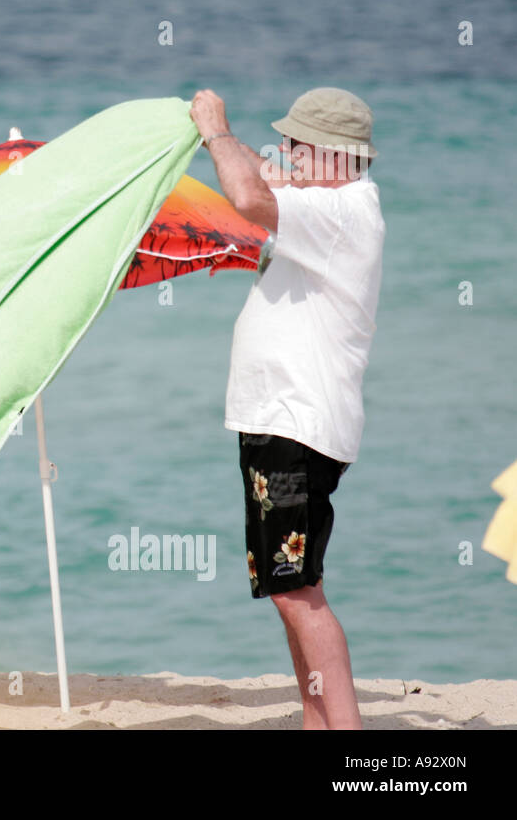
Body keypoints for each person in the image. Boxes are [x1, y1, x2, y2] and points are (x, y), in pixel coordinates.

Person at [189, 87, 385, 729]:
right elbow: (263, 175)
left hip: (296, 422)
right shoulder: (327, 200)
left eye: (299, 145)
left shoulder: (343, 213)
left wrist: (217, 131)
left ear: (334, 155)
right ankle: (317, 723)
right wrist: (215, 137)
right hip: (280, 420)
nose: (288, 154)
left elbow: (249, 194)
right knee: (288, 588)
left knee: (298, 592)